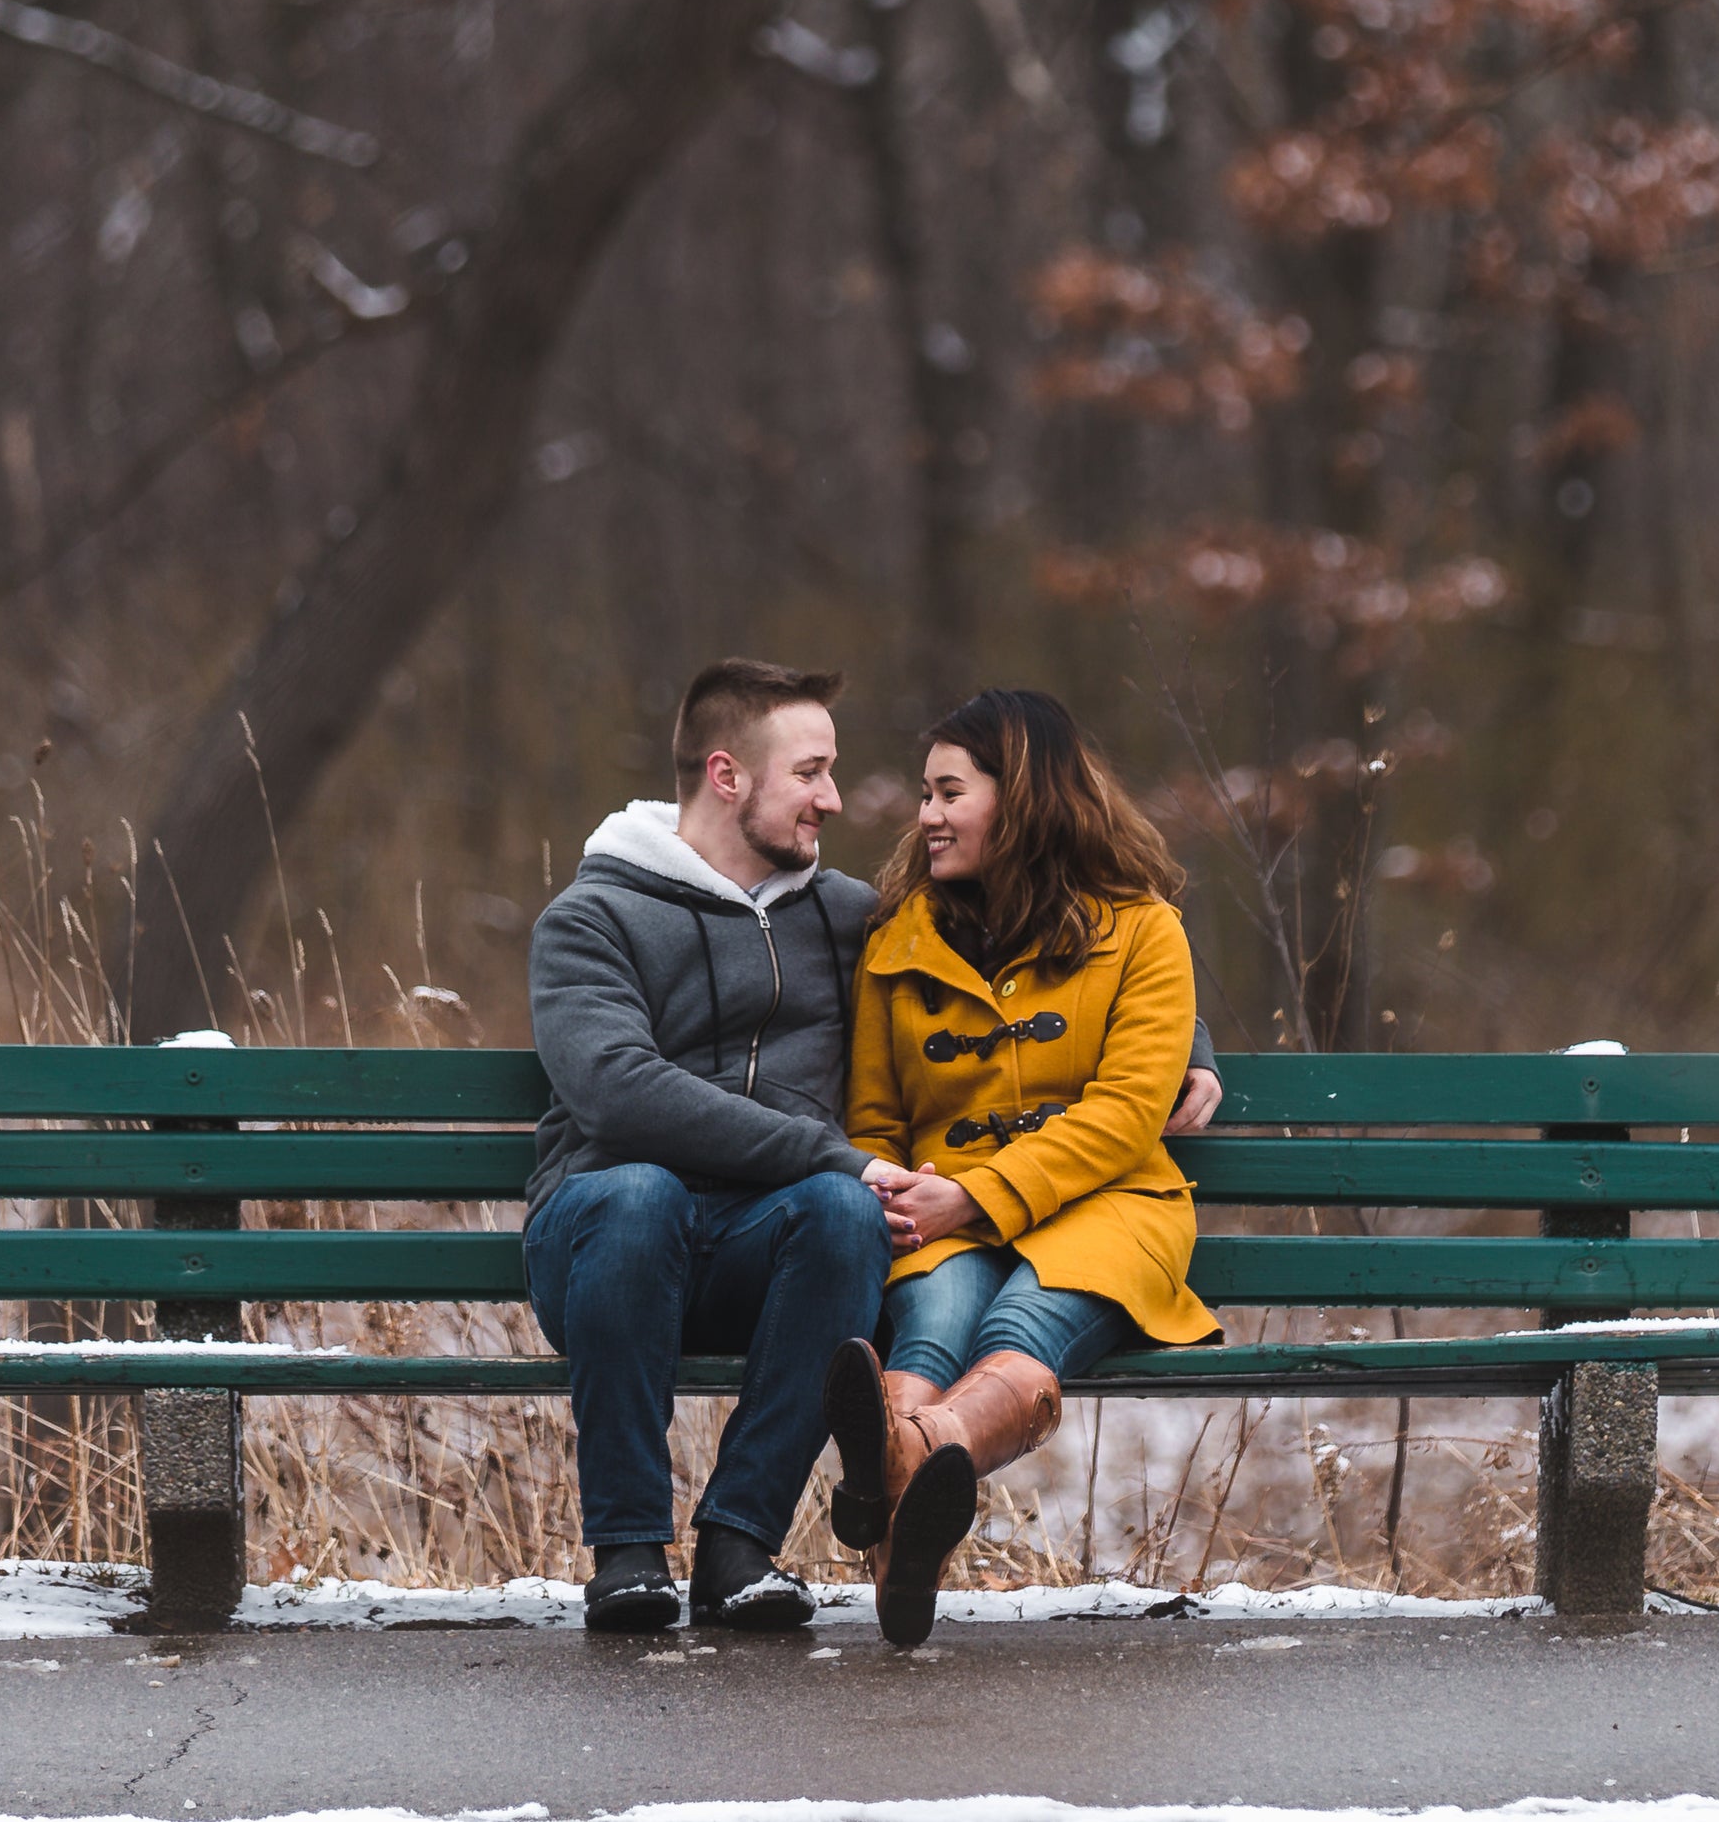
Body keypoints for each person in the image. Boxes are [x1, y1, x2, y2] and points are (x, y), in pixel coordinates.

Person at [524, 660, 1221, 1635]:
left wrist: (1192, 1046)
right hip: (609, 1242)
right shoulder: (591, 918)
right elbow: (616, 1091)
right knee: (644, 1192)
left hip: (759, 1242)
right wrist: (837, 1153)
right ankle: (629, 1552)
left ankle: (739, 1547)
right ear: (728, 776)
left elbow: (1047, 929)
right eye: (811, 772)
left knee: (844, 1214)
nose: (836, 799)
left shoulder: (849, 916)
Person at [822, 688, 1226, 1648]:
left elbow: (1129, 1113)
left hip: (1109, 1201)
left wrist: (977, 1194)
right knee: (938, 1320)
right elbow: (875, 1119)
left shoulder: (1143, 931)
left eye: (949, 792)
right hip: (937, 1207)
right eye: (924, 793)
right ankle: (915, 1499)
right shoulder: (897, 941)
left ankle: (898, 1463)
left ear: (1026, 797)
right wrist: (897, 1190)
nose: (925, 815)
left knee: (1018, 1319)